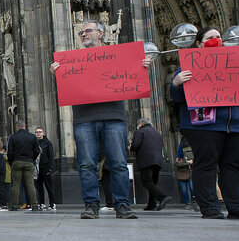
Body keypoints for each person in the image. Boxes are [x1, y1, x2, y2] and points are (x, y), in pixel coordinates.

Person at [50, 20, 149, 219]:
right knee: (86, 164)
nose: (84, 35)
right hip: (84, 118)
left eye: (88, 31)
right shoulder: (73, 61)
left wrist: (142, 66)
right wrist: (57, 74)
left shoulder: (118, 57)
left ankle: (122, 205)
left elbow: (132, 77)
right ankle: (91, 205)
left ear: (101, 33)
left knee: (119, 163)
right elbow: (67, 88)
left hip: (113, 116)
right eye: (81, 33)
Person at [169, 27, 239, 219]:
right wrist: (176, 83)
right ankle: (210, 207)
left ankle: (237, 206)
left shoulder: (238, 61)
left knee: (234, 166)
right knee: (206, 165)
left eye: (218, 37)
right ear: (199, 43)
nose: (215, 40)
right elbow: (178, 98)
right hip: (205, 125)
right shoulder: (191, 63)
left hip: (237, 123)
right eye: (210, 38)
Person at [129, 117, 171, 211]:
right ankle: (151, 204)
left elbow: (135, 145)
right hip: (158, 160)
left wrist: (130, 147)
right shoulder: (157, 133)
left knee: (146, 182)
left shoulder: (139, 132)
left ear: (140, 124)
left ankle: (162, 197)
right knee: (153, 183)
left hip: (146, 160)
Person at [7, 120, 40, 211]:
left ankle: (15, 205)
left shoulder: (13, 137)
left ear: (17, 127)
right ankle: (35, 205)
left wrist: (12, 162)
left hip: (17, 162)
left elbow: (10, 152)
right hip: (29, 162)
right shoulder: (32, 137)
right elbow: (37, 150)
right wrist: (32, 159)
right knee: (30, 184)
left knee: (16, 185)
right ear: (25, 126)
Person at [34, 126, 56, 210]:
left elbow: (51, 155)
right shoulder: (34, 143)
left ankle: (52, 203)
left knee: (49, 186)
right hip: (37, 167)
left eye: (40, 132)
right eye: (37, 132)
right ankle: (41, 203)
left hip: (45, 167)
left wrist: (50, 167)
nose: (38, 133)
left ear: (43, 133)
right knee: (39, 187)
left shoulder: (47, 142)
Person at [175, 136, 197, 211]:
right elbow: (177, 161)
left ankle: (194, 202)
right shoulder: (181, 151)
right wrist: (187, 163)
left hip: (190, 173)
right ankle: (187, 203)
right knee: (184, 190)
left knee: (192, 188)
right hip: (182, 172)